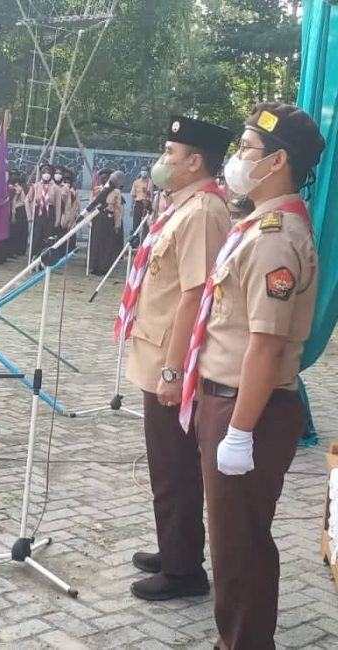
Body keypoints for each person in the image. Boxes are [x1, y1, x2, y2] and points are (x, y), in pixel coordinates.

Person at [180, 103, 325, 649]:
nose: (237, 158)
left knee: (239, 545)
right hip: (230, 399)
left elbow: (265, 345)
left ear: (278, 161)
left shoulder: (274, 237)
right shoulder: (258, 224)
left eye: (247, 149)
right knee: (234, 539)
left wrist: (239, 431)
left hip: (248, 407)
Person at [121, 115, 233, 601]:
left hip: (172, 360)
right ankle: (175, 548)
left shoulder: (204, 211)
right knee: (167, 465)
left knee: (175, 468)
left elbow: (195, 295)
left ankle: (184, 571)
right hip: (157, 352)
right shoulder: (182, 206)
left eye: (171, 152)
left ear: (195, 162)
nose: (163, 159)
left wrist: (174, 370)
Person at [89, 168, 123, 275]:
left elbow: (118, 209)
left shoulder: (116, 192)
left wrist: (117, 224)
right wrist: (89, 220)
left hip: (109, 219)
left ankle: (104, 267)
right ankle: (94, 266)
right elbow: (91, 205)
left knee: (107, 243)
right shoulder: (96, 190)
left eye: (106, 177)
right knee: (96, 242)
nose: (104, 179)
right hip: (97, 217)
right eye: (102, 177)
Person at [27, 163, 62, 258]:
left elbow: (58, 205)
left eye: (48, 172)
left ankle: (46, 257)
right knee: (36, 235)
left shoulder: (56, 188)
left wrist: (57, 220)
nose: (46, 174)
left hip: (50, 213)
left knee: (48, 236)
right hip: (38, 212)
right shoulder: (35, 186)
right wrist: (30, 215)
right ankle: (34, 257)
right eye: (44, 172)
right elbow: (27, 200)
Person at [8, 170, 28, 257]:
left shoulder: (20, 188)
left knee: (17, 232)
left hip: (19, 210)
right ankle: (14, 251)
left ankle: (16, 251)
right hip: (16, 210)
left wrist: (13, 213)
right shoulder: (16, 188)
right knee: (15, 233)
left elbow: (17, 201)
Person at [131, 164, 153, 236]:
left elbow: (151, 195)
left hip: (146, 204)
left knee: (145, 223)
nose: (143, 172)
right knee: (136, 222)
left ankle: (144, 238)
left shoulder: (150, 182)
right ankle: (135, 239)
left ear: (147, 172)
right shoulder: (136, 182)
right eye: (142, 170)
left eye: (145, 170)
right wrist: (131, 207)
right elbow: (133, 195)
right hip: (138, 203)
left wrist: (147, 192)